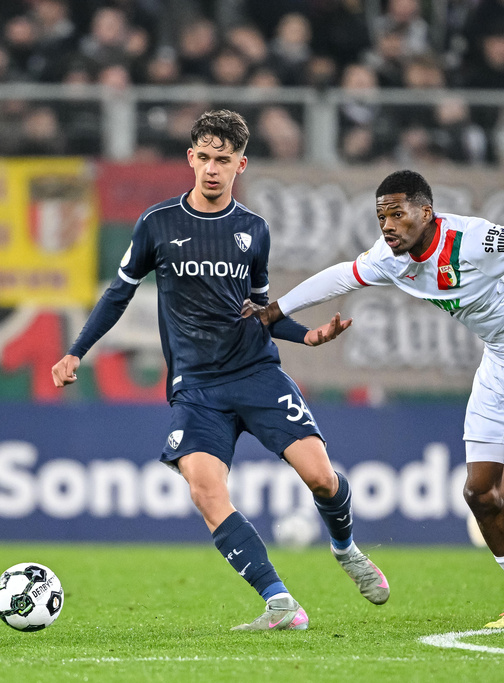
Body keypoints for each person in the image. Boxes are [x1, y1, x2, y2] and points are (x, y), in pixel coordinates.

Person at [247, 169, 504, 628]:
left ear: (426, 213)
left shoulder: (472, 240)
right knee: (479, 492)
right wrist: (274, 311)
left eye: (397, 215)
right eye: (381, 216)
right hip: (500, 361)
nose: (387, 225)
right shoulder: (390, 258)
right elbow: (342, 276)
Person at [51, 110, 389, 631]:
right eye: (204, 157)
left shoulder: (253, 231)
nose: (212, 168)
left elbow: (260, 310)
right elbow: (118, 294)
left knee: (321, 477)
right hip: (197, 387)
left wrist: (308, 335)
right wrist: (77, 350)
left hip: (255, 371)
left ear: (240, 165)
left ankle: (345, 549)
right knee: (206, 492)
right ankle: (279, 603)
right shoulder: (156, 224)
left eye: (223, 160)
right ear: (190, 158)